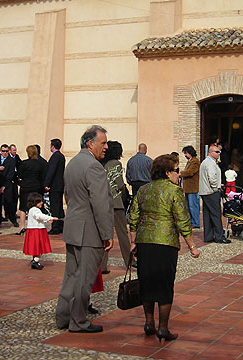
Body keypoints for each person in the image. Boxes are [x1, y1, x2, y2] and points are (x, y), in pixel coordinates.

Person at [128, 154, 201, 341]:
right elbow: (183, 220)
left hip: (145, 242)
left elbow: (133, 217)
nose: (179, 174)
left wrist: (133, 241)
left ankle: (148, 322)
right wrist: (192, 246)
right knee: (165, 285)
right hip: (165, 243)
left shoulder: (143, 189)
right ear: (168, 173)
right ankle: (163, 327)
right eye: (177, 171)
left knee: (147, 282)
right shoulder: (174, 191)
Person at [55, 125, 114, 334]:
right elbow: (100, 204)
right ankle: (78, 321)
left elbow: (69, 196)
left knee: (71, 275)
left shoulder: (72, 163)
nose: (106, 146)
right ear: (90, 143)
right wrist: (108, 234)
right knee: (84, 279)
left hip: (74, 227)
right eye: (103, 142)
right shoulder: (93, 166)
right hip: (89, 232)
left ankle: (63, 317)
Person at [100, 141, 132, 272]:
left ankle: (102, 265)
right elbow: (119, 183)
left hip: (103, 202)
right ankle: (130, 260)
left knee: (106, 235)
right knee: (122, 234)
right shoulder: (116, 164)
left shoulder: (101, 164)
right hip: (116, 202)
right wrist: (124, 190)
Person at [199, 145, 229, 244]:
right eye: (216, 152)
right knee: (216, 214)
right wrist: (216, 187)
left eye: (219, 152)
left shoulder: (206, 162)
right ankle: (219, 236)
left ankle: (208, 236)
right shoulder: (210, 163)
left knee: (207, 214)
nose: (219, 153)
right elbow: (212, 177)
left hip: (205, 192)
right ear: (210, 152)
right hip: (211, 192)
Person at [16, 145, 46, 235]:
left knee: (23, 208)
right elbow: (42, 176)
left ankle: (22, 227)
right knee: (35, 206)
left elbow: (19, 175)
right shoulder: (39, 164)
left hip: (25, 186)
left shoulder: (24, 163)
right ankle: (35, 225)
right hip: (36, 186)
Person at [23, 192, 56, 270]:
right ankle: (35, 261)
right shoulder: (35, 210)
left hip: (33, 230)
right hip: (37, 231)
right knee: (38, 247)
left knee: (35, 247)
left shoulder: (32, 210)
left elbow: (38, 219)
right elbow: (39, 216)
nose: (41, 203)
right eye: (39, 201)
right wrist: (50, 218)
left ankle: (35, 260)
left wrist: (47, 220)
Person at [44, 138, 66, 235]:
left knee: (55, 207)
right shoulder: (61, 156)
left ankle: (56, 227)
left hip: (55, 186)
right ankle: (61, 224)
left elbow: (51, 171)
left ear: (53, 146)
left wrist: (46, 183)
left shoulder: (55, 157)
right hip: (60, 185)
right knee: (59, 206)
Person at [0, 144, 18, 228]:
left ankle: (13, 219)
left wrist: (4, 186)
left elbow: (11, 174)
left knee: (9, 203)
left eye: (6, 151)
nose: (4, 153)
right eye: (3, 151)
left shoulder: (11, 161)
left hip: (7, 185)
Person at [180, 146, 201, 228]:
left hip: (193, 188)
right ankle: (192, 222)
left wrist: (180, 174)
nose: (185, 155)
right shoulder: (190, 161)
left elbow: (190, 172)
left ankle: (196, 223)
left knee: (193, 206)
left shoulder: (195, 161)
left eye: (186, 153)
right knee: (189, 206)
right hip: (188, 188)